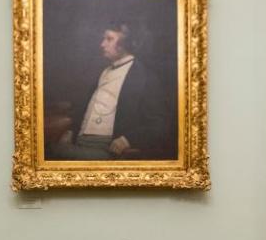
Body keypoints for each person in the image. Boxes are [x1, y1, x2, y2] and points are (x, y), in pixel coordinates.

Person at [47, 21, 175, 161]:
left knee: (49, 151)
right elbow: (87, 107)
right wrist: (71, 131)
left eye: (109, 39)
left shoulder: (145, 77)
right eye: (104, 39)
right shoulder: (104, 71)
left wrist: (128, 140)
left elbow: (160, 124)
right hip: (79, 141)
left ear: (126, 42)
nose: (102, 44)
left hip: (106, 150)